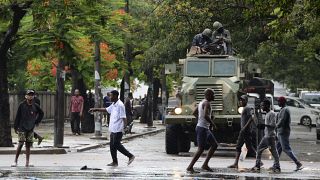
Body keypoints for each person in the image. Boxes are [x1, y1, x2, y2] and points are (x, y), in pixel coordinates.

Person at [89, 90, 135, 166]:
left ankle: (130, 156)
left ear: (115, 96)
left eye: (111, 96)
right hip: (113, 128)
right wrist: (95, 109)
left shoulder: (120, 105)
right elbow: (106, 109)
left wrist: (125, 128)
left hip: (118, 129)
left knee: (116, 144)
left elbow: (124, 117)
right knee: (112, 145)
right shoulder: (114, 104)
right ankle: (114, 162)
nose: (109, 97)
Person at [186, 89, 218, 173]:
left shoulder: (201, 102)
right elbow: (205, 116)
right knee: (201, 149)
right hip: (202, 128)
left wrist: (200, 119)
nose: (214, 96)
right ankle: (190, 167)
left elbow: (194, 113)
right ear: (208, 95)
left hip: (203, 128)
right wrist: (212, 123)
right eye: (213, 95)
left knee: (214, 145)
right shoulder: (206, 103)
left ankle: (205, 164)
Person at [12, 90, 44, 167]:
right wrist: (16, 127)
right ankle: (15, 161)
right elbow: (18, 116)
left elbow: (41, 113)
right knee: (21, 143)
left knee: (28, 145)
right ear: (26, 96)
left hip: (30, 128)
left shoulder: (35, 106)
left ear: (33, 96)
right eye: (29, 95)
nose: (30, 96)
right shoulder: (22, 105)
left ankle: (27, 162)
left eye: (32, 95)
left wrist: (36, 121)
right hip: (22, 127)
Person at [251, 99, 280, 173]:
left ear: (267, 105)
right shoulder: (267, 114)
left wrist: (264, 125)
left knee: (271, 151)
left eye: (263, 105)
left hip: (269, 137)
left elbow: (273, 125)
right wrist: (263, 126)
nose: (262, 107)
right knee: (265, 150)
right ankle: (259, 165)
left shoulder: (272, 114)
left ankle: (276, 166)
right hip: (267, 136)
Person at [228, 95, 256, 169]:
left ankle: (236, 163)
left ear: (246, 101)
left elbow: (251, 118)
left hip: (245, 131)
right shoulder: (244, 108)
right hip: (244, 130)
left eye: (243, 100)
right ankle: (236, 163)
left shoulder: (247, 108)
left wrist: (244, 128)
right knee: (248, 147)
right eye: (240, 100)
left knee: (239, 146)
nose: (241, 101)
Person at [276, 96, 303, 171]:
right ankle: (275, 164)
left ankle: (297, 163)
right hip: (280, 132)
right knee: (277, 149)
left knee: (286, 148)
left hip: (283, 132)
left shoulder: (285, 110)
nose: (278, 102)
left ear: (283, 102)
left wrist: (275, 126)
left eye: (279, 101)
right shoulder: (283, 109)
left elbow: (282, 121)